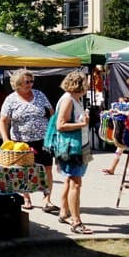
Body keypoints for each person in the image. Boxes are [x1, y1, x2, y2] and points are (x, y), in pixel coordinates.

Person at [0, 69, 57, 212]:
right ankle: (26, 197)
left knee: (47, 168)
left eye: (31, 81)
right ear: (18, 83)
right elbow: (3, 121)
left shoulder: (39, 95)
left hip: (43, 139)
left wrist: (53, 131)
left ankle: (47, 199)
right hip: (21, 142)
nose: (30, 84)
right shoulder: (11, 99)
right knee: (24, 171)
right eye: (27, 82)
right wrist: (6, 140)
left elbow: (52, 113)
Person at [54, 70, 93, 234]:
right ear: (79, 84)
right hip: (71, 147)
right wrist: (82, 124)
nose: (88, 85)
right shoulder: (68, 99)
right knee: (76, 183)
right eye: (86, 82)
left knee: (70, 180)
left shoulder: (75, 98)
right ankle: (76, 222)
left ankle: (64, 213)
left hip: (79, 145)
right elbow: (60, 125)